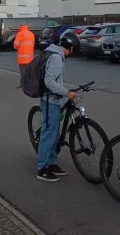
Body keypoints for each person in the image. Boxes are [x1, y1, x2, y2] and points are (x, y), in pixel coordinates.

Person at [37, 37, 78, 182]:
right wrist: (66, 93)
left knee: (54, 135)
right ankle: (42, 169)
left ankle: (52, 164)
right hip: (50, 101)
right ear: (70, 48)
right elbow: (49, 82)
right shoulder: (57, 58)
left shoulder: (55, 54)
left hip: (54, 100)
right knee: (49, 135)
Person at [14, 23, 35, 89]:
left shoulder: (20, 34)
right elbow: (33, 44)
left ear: (21, 27)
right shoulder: (31, 34)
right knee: (29, 71)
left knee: (23, 72)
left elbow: (16, 45)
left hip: (22, 57)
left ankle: (23, 85)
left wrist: (16, 47)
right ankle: (29, 84)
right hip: (30, 57)